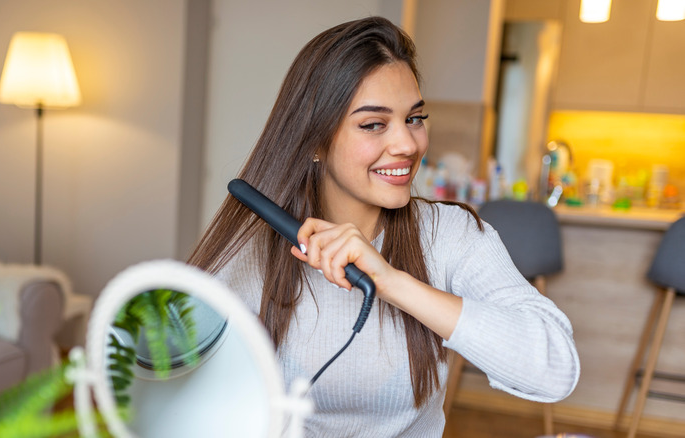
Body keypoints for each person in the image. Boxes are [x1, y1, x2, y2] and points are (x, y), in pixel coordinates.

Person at [188, 16, 579, 437]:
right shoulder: (255, 249)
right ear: (316, 139)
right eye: (374, 124)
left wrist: (390, 281)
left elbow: (555, 369)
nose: (408, 145)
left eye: (414, 118)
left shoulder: (451, 236)